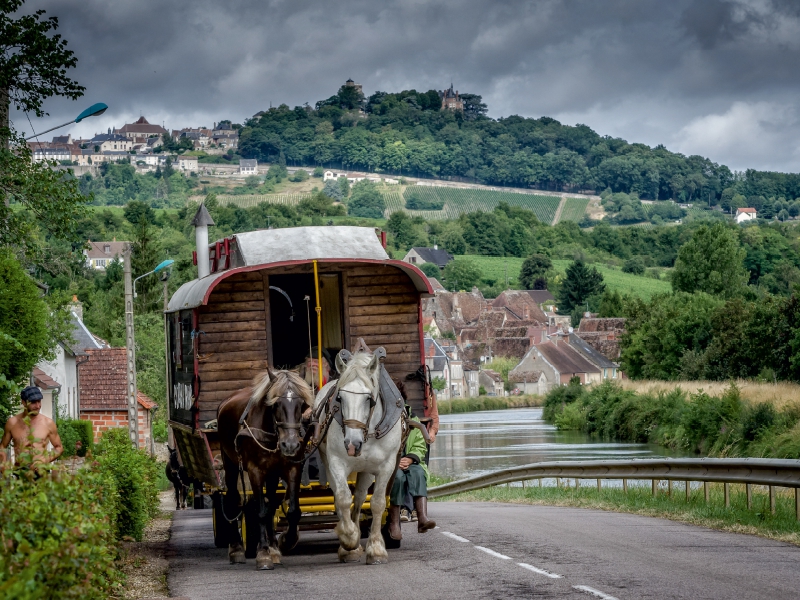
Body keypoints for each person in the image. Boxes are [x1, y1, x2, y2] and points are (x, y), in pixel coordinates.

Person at [387, 404, 436, 541]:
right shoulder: (383, 421)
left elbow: (420, 446)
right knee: (397, 478)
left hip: (410, 461)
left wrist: (409, 458)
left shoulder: (414, 420)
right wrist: (394, 462)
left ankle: (422, 519)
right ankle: (394, 523)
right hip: (391, 464)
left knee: (418, 473)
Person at [1, 385, 63, 467]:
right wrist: (3, 464)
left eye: (39, 401)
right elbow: (2, 446)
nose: (38, 406)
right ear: (24, 402)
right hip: (20, 474)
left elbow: (59, 447)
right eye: (33, 402)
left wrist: (44, 460)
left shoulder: (48, 423)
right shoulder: (12, 423)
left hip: (41, 473)